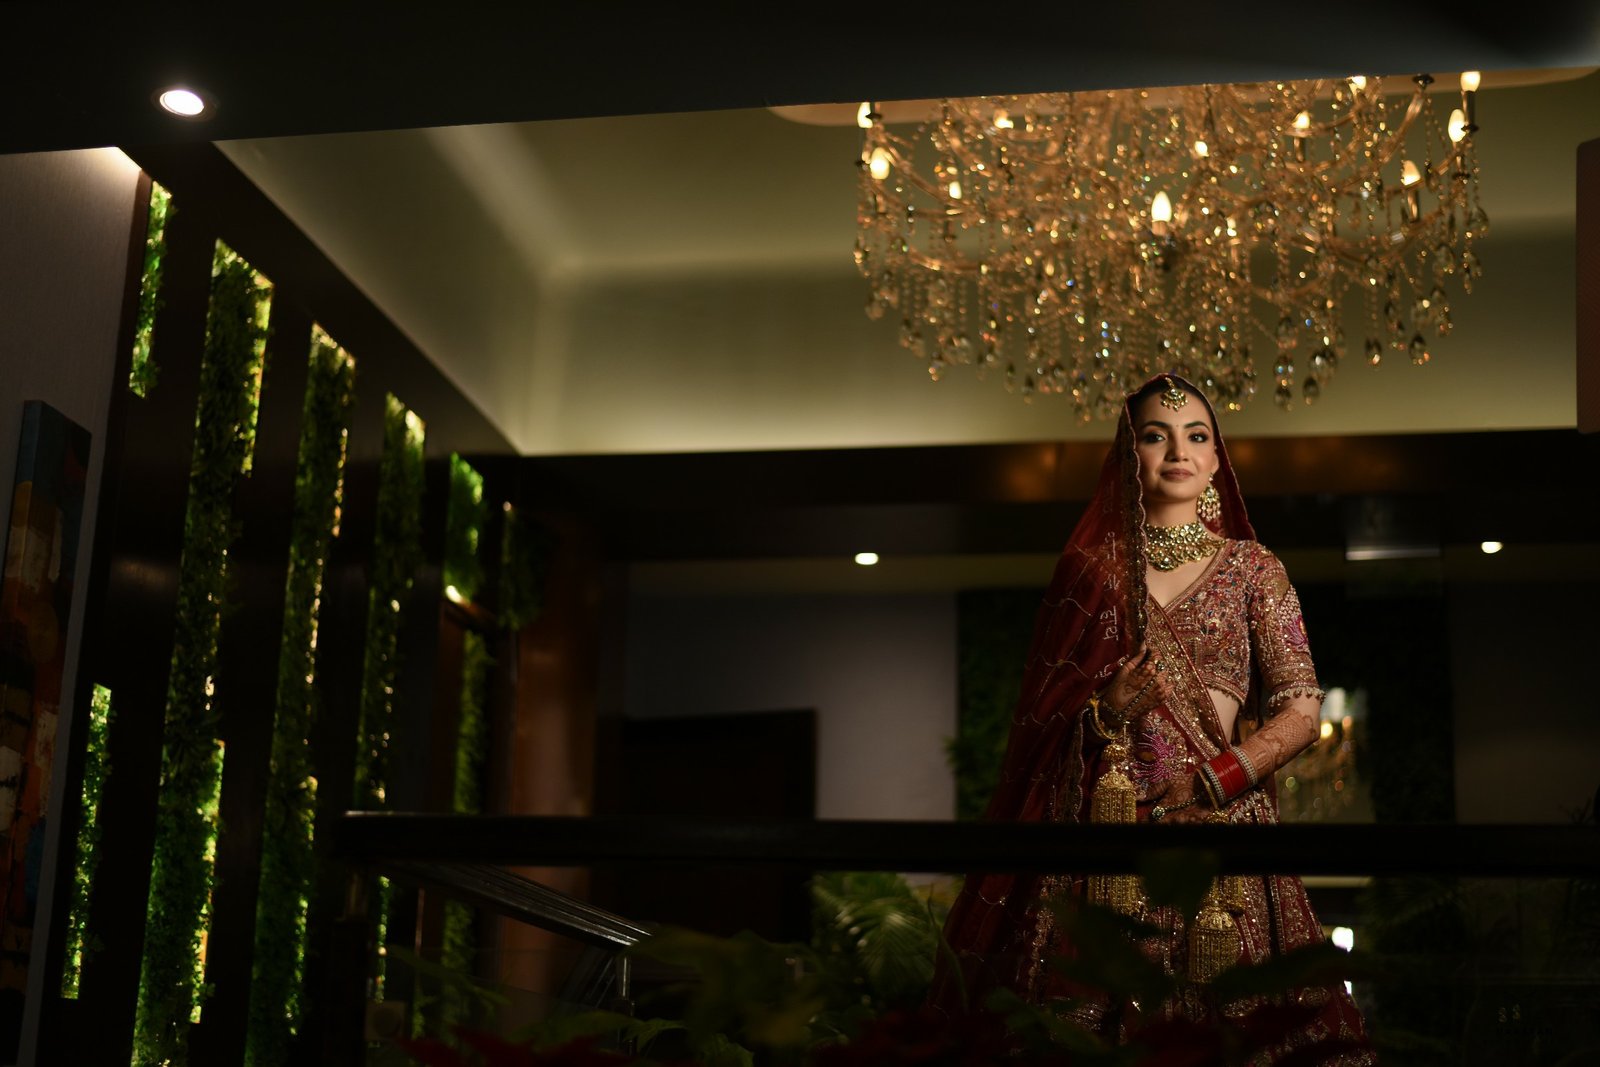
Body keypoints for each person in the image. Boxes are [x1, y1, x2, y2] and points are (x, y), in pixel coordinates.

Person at [933, 373, 1373, 1062]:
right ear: (1127, 451)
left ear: (1217, 456)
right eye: (1155, 435)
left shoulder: (1254, 570)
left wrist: (1216, 779)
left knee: (1241, 1027)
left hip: (1222, 834)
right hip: (1107, 842)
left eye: (1198, 436)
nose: (1179, 451)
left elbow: (1301, 708)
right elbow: (1044, 722)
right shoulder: (1093, 575)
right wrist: (1105, 714)